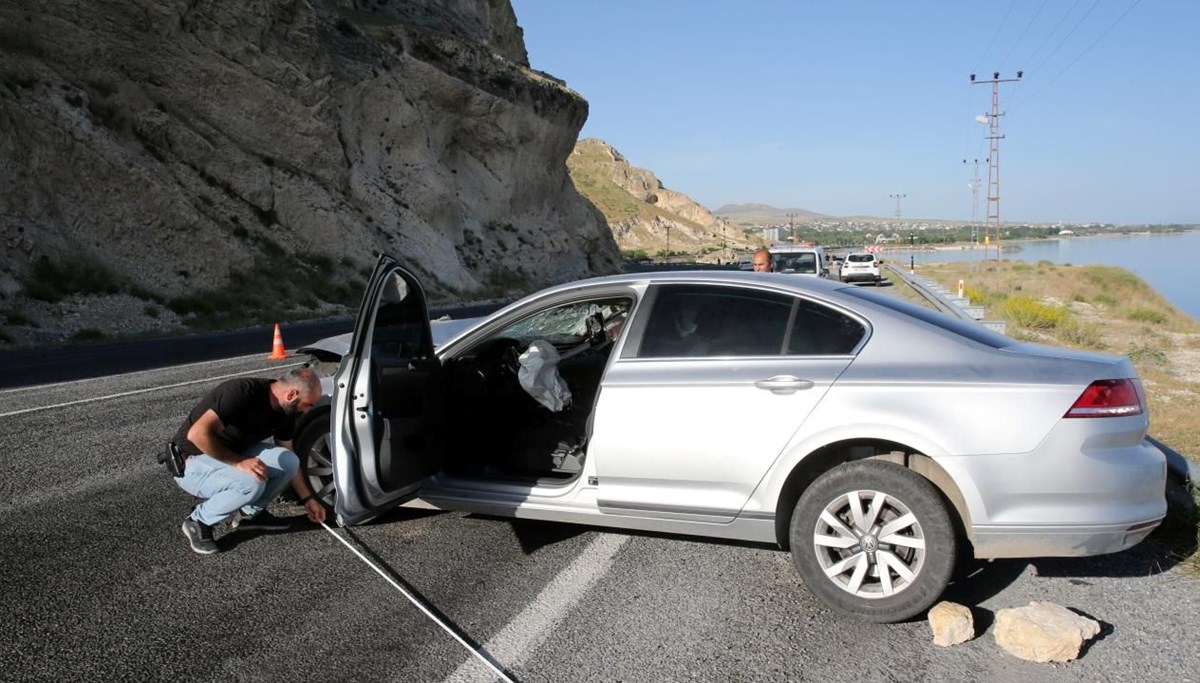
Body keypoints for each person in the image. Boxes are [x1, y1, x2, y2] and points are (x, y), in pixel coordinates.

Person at [171, 367, 326, 555]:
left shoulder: (287, 411)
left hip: (230, 455)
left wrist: (308, 499)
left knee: (289, 461)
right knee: (252, 480)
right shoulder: (242, 392)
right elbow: (197, 435)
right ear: (292, 395)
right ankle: (198, 521)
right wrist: (239, 463)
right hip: (191, 461)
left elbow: (288, 451)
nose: (307, 410)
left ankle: (250, 516)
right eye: (308, 404)